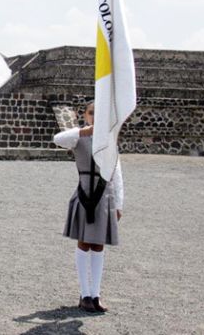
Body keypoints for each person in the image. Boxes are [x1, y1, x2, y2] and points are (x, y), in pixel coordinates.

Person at [53, 101, 123, 313]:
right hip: (85, 192)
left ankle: (95, 294)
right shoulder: (78, 137)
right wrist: (85, 130)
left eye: (98, 113)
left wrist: (118, 203)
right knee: (84, 243)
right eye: (91, 113)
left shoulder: (110, 139)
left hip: (104, 194)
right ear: (84, 115)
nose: (95, 116)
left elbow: (117, 173)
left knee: (99, 245)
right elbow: (58, 139)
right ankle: (84, 294)